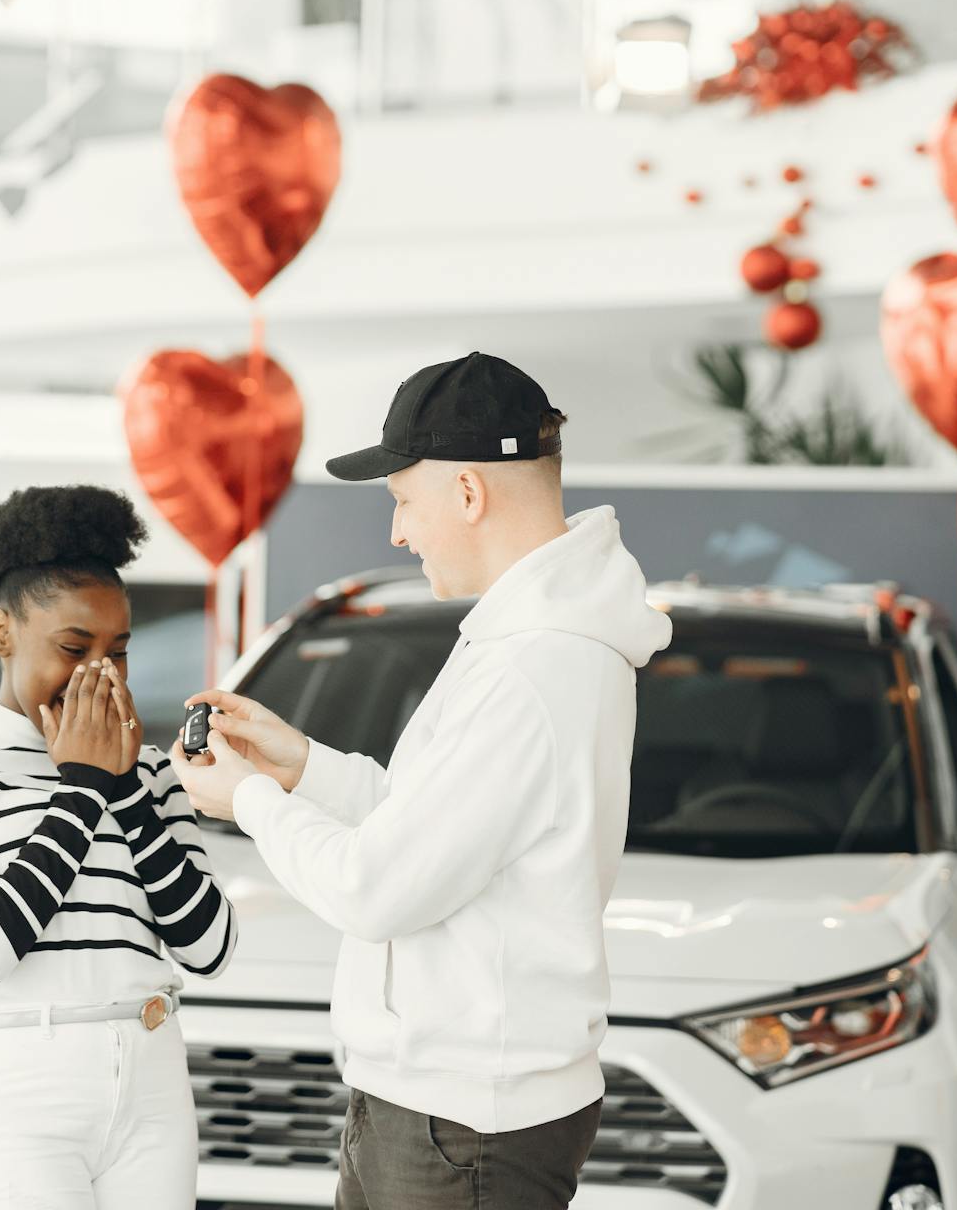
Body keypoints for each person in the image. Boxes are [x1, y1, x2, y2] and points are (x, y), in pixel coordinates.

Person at [172, 352, 671, 1210]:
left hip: (463, 1126)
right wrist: (300, 767)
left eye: (404, 502)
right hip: (441, 1108)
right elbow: (433, 827)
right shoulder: (525, 641)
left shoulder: (537, 665)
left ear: (469, 494)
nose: (399, 532)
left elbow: (379, 888)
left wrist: (246, 802)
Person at [0, 484, 237, 1208]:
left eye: (118, 650)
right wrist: (80, 790)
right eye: (73, 647)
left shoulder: (145, 770)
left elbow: (208, 947)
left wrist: (125, 790)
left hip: (151, 1074)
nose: (99, 674)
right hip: (25, 1078)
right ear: (1, 634)